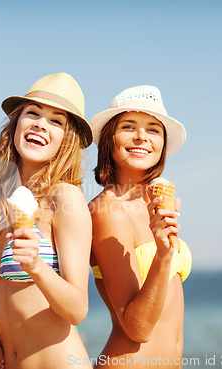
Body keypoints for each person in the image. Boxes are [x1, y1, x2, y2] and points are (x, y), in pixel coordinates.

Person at [0, 73, 93, 368]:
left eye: (56, 121)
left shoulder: (64, 197)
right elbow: (4, 294)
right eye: (32, 113)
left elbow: (77, 309)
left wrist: (36, 266)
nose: (40, 123)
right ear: (16, 125)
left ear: (67, 139)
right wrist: (0, 340)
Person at [89, 85, 192, 368]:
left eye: (153, 129)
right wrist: (163, 253)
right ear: (110, 139)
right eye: (129, 126)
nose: (141, 137)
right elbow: (138, 329)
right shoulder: (108, 212)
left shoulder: (156, 203)